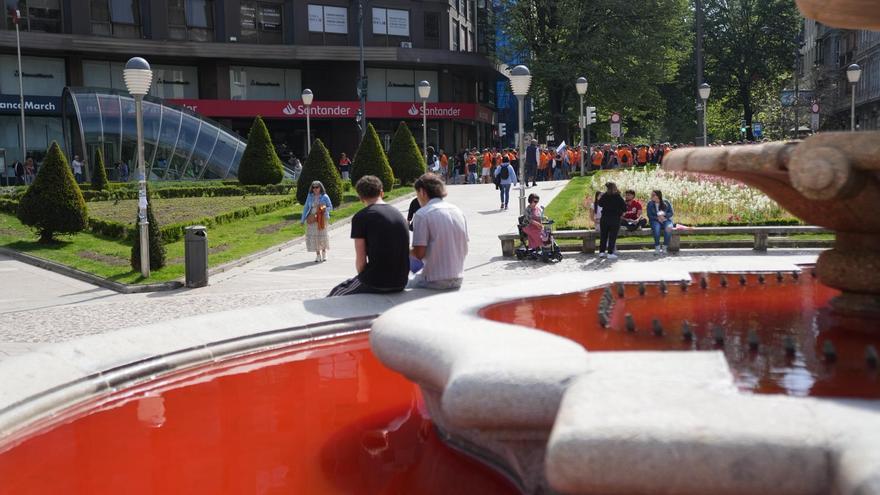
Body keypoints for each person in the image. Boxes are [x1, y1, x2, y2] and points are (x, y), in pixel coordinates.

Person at [328, 176, 410, 297]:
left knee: (335, 294)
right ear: (381, 192)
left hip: (376, 282)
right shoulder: (398, 214)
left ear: (360, 197)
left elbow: (361, 259)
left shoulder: (361, 217)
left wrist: (363, 279)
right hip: (401, 281)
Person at [409, 173, 468, 290]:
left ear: (422, 192)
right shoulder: (458, 211)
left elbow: (419, 254)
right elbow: (465, 247)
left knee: (401, 287)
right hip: (458, 277)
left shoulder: (422, 214)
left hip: (434, 280)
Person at [300, 180, 333, 262]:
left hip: (322, 218)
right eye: (313, 187)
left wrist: (322, 209)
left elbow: (330, 207)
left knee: (322, 235)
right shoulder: (310, 196)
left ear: (320, 188)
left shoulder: (325, 196)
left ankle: (324, 253)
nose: (315, 189)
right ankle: (318, 255)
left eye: (317, 187)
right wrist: (302, 219)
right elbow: (306, 208)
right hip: (312, 218)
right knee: (314, 237)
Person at [596, 182, 626, 259]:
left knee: (603, 236)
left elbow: (600, 204)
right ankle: (610, 253)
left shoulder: (605, 196)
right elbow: (624, 207)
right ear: (615, 187)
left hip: (605, 218)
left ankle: (602, 252)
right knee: (612, 236)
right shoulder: (617, 196)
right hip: (615, 219)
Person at [647, 189, 674, 254]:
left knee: (669, 228)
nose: (651, 196)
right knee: (656, 228)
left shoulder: (666, 202)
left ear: (658, 196)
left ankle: (665, 247)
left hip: (665, 219)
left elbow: (671, 213)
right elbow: (649, 215)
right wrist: (657, 218)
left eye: (653, 195)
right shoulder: (650, 203)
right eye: (651, 195)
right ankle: (657, 247)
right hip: (654, 220)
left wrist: (664, 216)